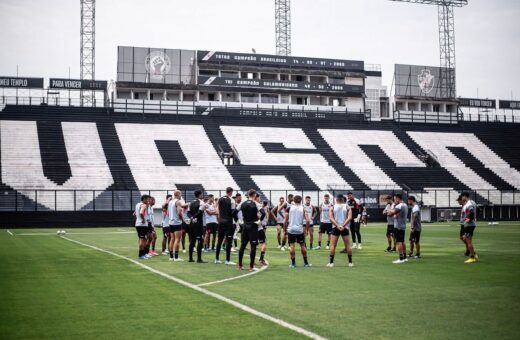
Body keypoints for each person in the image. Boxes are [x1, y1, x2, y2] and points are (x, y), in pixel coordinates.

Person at [237, 189, 262, 271]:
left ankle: (240, 265)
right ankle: (251, 266)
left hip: (245, 226)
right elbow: (264, 213)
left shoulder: (242, 203)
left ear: (248, 194)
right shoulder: (256, 203)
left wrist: (240, 222)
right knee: (253, 246)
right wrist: (259, 221)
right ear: (254, 195)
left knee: (242, 246)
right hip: (253, 226)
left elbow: (234, 212)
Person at [284, 195, 311, 268]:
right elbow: (308, 220)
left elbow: (285, 221)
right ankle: (306, 263)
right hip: (300, 230)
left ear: (293, 200)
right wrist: (307, 230)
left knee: (292, 246)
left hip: (291, 229)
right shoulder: (303, 208)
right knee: (302, 245)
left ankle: (293, 264)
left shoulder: (289, 208)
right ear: (301, 200)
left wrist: (284, 231)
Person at [327, 194, 354, 268]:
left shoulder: (332, 207)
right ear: (343, 199)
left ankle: (331, 263)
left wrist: (337, 225)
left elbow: (331, 218)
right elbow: (350, 218)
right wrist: (343, 225)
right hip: (345, 228)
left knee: (332, 245)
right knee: (348, 245)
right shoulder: (347, 207)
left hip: (335, 227)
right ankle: (350, 263)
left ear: (336, 199)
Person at [215, 187, 236, 265]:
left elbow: (218, 210)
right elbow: (233, 212)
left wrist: (219, 219)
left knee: (219, 241)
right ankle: (227, 260)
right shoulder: (232, 200)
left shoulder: (220, 199)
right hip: (228, 222)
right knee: (228, 241)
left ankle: (216, 259)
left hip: (221, 221)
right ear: (231, 192)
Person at [387, 194, 408, 264]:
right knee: (402, 241)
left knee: (399, 242)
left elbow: (390, 214)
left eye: (395, 199)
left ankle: (401, 258)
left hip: (398, 226)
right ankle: (405, 257)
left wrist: (390, 210)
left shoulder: (399, 206)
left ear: (398, 199)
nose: (394, 201)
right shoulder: (405, 205)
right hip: (403, 225)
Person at [187, 190, 207, 263]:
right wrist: (194, 217)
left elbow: (188, 213)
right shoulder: (202, 202)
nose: (202, 195)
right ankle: (199, 259)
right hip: (198, 224)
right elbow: (199, 212)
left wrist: (191, 217)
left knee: (192, 240)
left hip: (192, 223)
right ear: (200, 195)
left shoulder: (191, 202)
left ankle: (190, 258)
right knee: (200, 240)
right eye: (202, 194)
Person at [168, 190, 187, 262]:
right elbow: (179, 212)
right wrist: (182, 220)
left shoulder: (170, 202)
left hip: (171, 222)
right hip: (176, 222)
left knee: (172, 239)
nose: (181, 196)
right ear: (178, 194)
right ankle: (176, 257)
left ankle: (171, 257)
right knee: (177, 239)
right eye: (180, 194)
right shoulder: (178, 202)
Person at [461, 192, 479, 264]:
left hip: (469, 225)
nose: (462, 198)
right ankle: (474, 254)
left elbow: (471, 211)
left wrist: (469, 218)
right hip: (470, 224)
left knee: (469, 241)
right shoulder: (473, 202)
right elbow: (478, 210)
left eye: (462, 196)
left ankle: (472, 257)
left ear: (465, 196)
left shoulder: (469, 203)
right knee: (465, 238)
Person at [134, 194, 150, 259]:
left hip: (138, 224)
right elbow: (141, 212)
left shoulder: (137, 204)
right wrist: (143, 219)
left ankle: (143, 254)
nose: (148, 201)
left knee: (143, 239)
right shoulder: (143, 205)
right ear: (144, 199)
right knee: (142, 240)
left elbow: (135, 213)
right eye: (147, 199)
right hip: (142, 225)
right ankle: (141, 255)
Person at [258, 199, 269, 266]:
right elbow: (263, 214)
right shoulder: (259, 207)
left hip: (250, 227)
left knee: (253, 244)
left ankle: (252, 261)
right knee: (264, 243)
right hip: (259, 227)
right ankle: (261, 259)